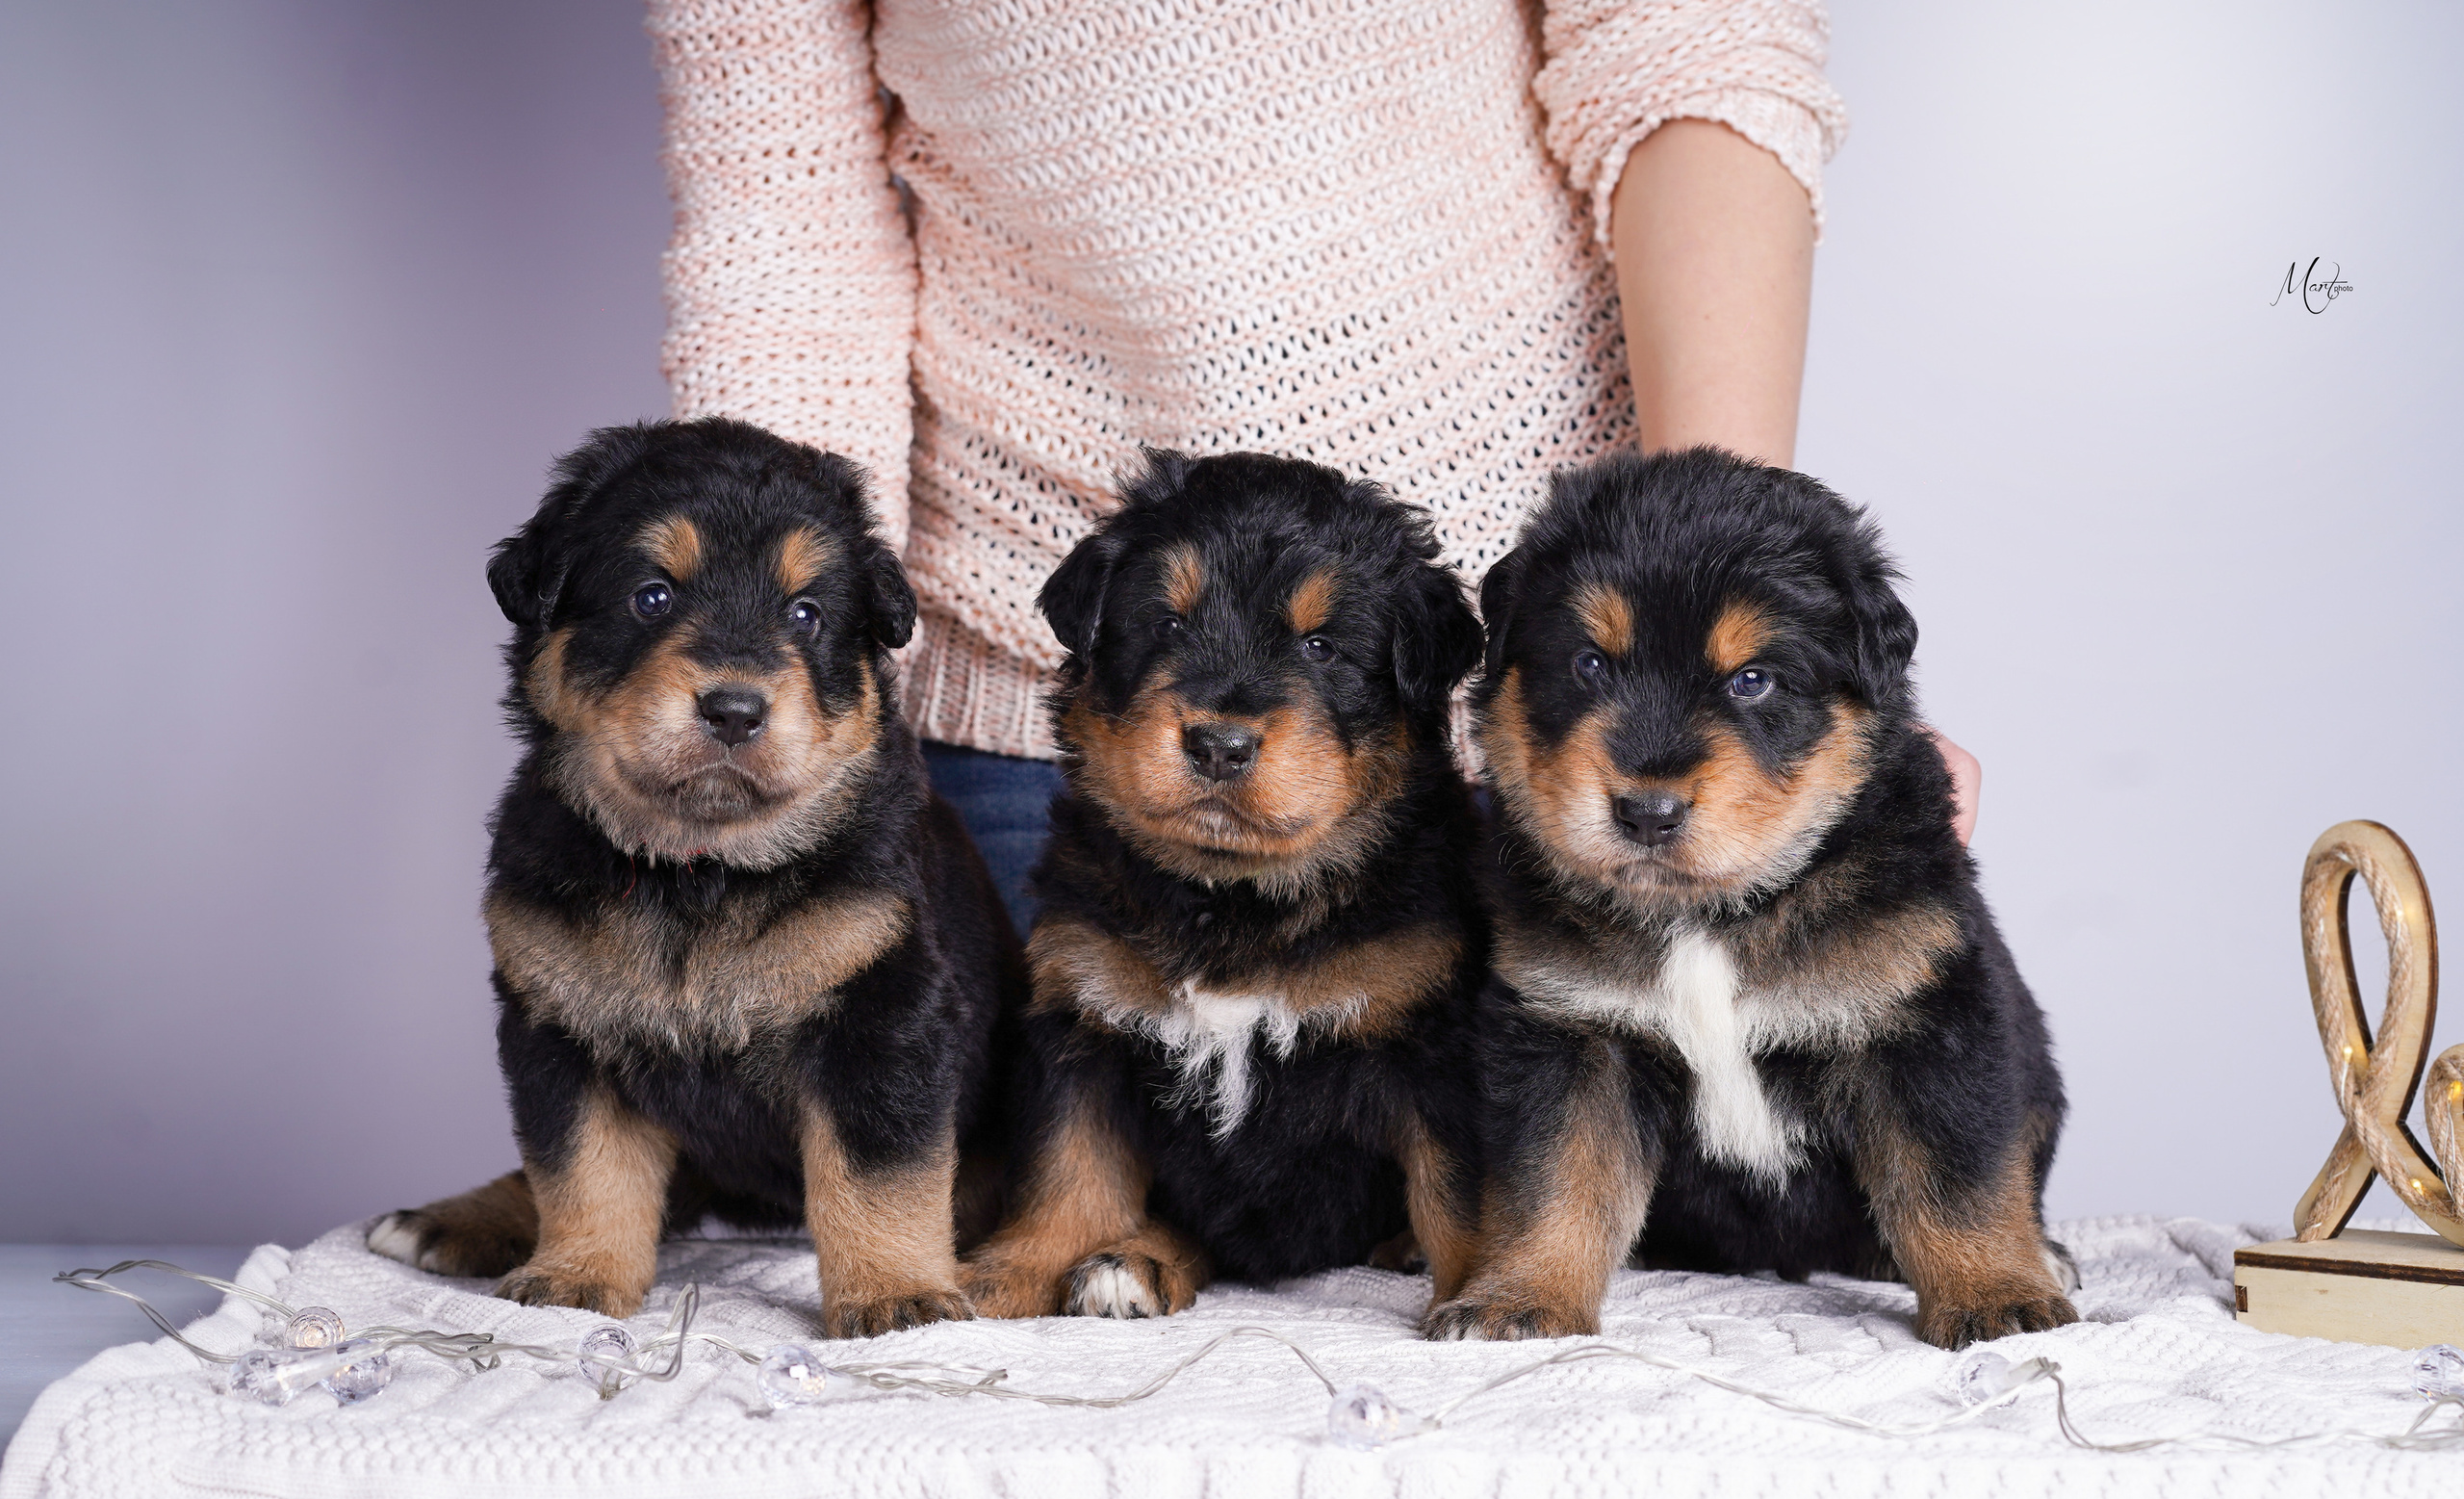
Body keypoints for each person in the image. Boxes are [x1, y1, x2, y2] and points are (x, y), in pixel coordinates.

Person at [643, 0, 1975, 930]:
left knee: (1573, 1255)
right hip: (1061, 723)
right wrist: (757, 682)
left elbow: (1691, 55)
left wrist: (1711, 632)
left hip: (1551, 702)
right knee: (1058, 1250)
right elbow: (785, 227)